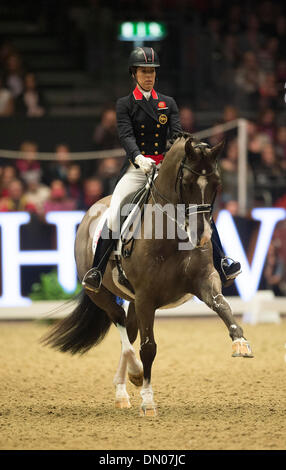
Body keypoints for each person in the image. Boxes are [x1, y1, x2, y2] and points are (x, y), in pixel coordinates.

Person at [82, 46, 241, 292]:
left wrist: (191, 149)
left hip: (166, 169)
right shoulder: (125, 104)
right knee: (115, 210)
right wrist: (138, 157)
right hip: (138, 169)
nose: (149, 76)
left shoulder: (167, 103)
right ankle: (97, 269)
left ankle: (221, 262)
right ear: (134, 73)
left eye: (152, 72)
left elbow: (177, 134)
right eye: (144, 71)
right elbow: (126, 136)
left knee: (198, 207)